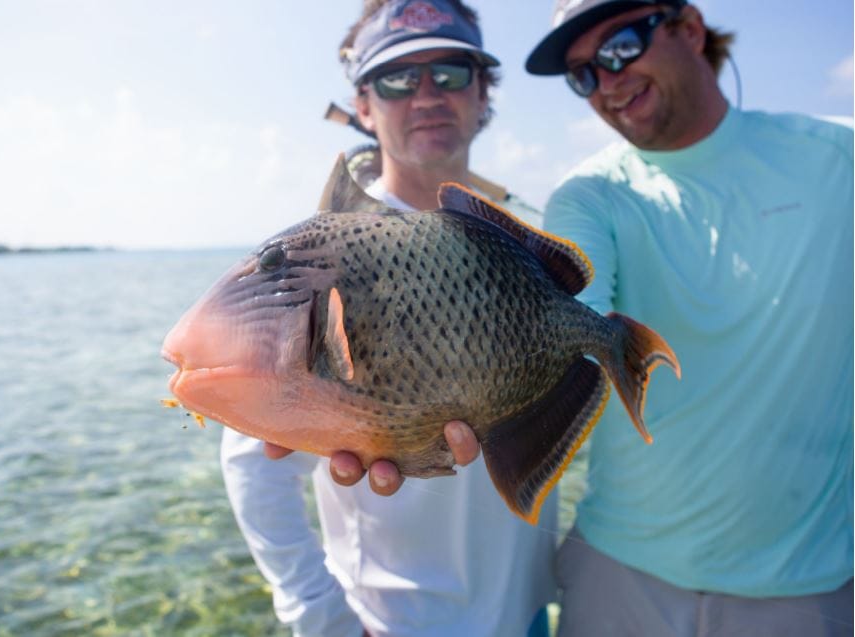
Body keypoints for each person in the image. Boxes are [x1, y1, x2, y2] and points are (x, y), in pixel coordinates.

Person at [220, 2, 558, 636]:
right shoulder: (324, 260)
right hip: (392, 621)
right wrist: (324, 621)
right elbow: (252, 468)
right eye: (397, 79)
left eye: (451, 73)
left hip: (526, 610)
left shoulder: (527, 247)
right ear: (365, 105)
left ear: (483, 92)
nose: (426, 94)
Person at [518, 0, 853, 634]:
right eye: (583, 74)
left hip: (808, 590)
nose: (607, 83)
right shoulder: (589, 195)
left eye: (619, 47)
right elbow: (570, 316)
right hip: (617, 577)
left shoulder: (840, 158)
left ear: (690, 29)